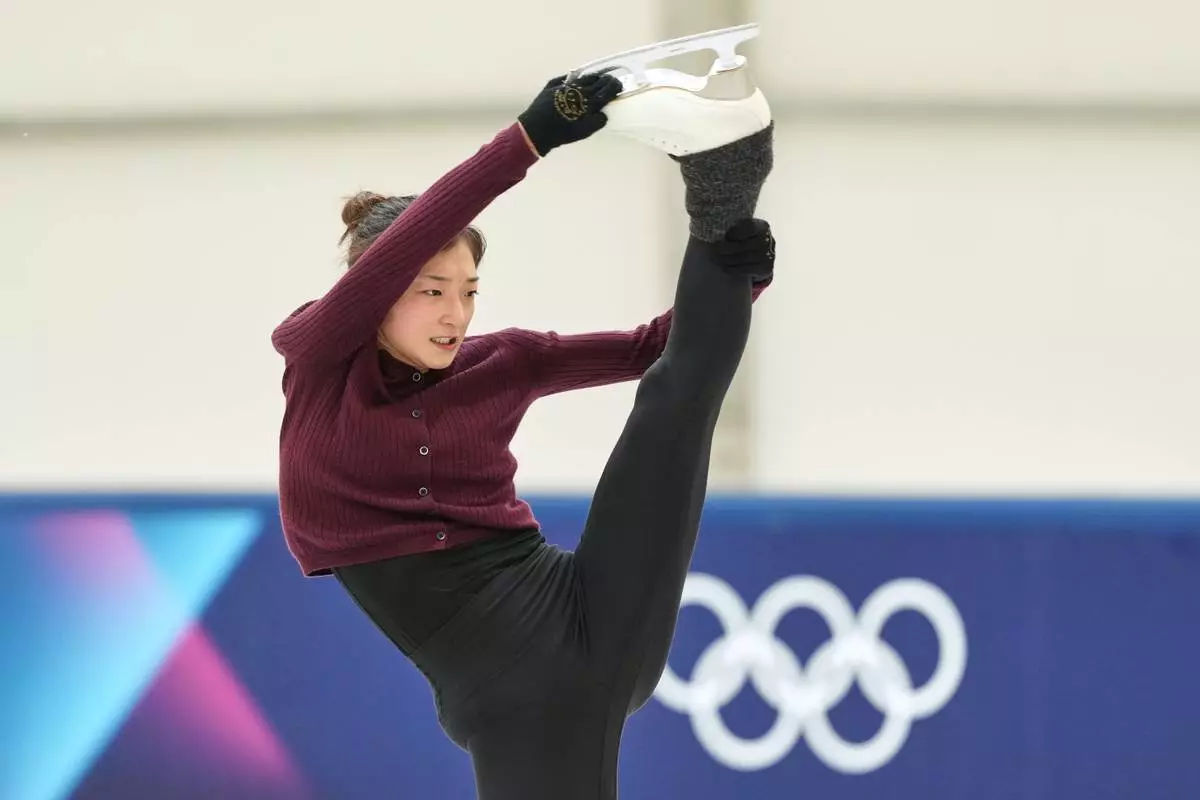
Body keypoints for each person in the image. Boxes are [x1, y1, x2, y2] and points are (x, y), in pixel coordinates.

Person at [270, 69, 776, 799]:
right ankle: (725, 180)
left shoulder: (504, 361)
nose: (455, 315)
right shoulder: (322, 359)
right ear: (376, 296)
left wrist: (740, 277)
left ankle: (724, 181)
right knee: (677, 392)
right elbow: (406, 243)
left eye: (469, 292)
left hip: (590, 604)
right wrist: (530, 138)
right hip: (514, 677)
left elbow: (655, 346)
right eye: (431, 292)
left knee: (676, 394)